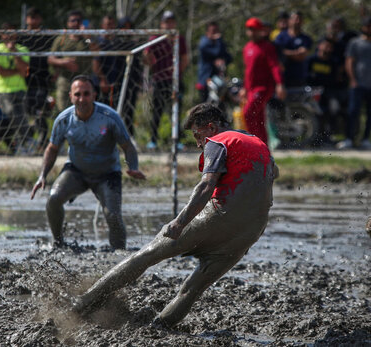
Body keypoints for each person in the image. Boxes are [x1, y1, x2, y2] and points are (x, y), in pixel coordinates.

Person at [73, 103, 278, 328]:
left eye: (198, 136)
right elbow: (273, 173)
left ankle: (81, 305)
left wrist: (179, 222)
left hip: (220, 214)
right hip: (252, 231)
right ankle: (159, 328)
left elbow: (206, 186)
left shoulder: (218, 142)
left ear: (211, 127)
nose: (199, 143)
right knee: (192, 289)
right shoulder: (258, 143)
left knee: (146, 255)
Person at [30, 75, 146, 249]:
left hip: (107, 174)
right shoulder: (64, 119)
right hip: (77, 171)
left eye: (86, 94)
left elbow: (128, 147)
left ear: (94, 95)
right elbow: (52, 149)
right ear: (70, 96)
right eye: (77, 94)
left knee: (113, 215)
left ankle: (119, 254)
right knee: (53, 198)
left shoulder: (109, 117)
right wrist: (42, 176)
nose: (82, 99)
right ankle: (58, 244)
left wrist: (133, 167)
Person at [144, 10, 188, 150]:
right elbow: (147, 57)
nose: (169, 25)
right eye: (166, 22)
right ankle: (153, 140)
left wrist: (177, 72)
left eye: (171, 21)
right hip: (159, 79)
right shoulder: (155, 38)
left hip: (175, 81)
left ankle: (177, 140)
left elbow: (185, 58)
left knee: (175, 110)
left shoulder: (179, 39)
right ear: (162, 24)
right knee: (157, 110)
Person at [242, 17, 285, 145]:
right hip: (251, 89)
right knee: (259, 118)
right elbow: (248, 70)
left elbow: (274, 66)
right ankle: (263, 147)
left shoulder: (267, 47)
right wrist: (244, 88)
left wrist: (280, 84)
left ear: (261, 31)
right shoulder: (247, 48)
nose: (252, 32)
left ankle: (254, 144)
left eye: (255, 30)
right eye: (250, 29)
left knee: (248, 114)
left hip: (263, 88)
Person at [0, 23, 31, 153]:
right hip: (2, 91)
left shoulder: (23, 50)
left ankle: (23, 144)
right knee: (12, 112)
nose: (9, 36)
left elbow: (25, 70)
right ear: (2, 35)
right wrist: (16, 71)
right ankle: (24, 141)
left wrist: (14, 52)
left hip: (20, 90)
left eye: (12, 33)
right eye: (7, 33)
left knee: (22, 116)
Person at [20, 7, 52, 151]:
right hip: (23, 80)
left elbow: (53, 55)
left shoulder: (46, 35)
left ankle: (43, 141)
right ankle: (28, 140)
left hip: (42, 79)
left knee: (40, 111)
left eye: (36, 17)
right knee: (27, 111)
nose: (33, 21)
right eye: (31, 17)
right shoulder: (21, 36)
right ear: (27, 19)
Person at [48, 10, 92, 113]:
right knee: (64, 112)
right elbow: (50, 59)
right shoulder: (61, 39)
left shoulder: (87, 39)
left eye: (79, 20)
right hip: (65, 82)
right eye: (73, 20)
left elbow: (95, 50)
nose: (76, 23)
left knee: (84, 112)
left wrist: (87, 36)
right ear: (68, 23)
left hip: (85, 82)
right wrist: (64, 62)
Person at [337, 17, 371, 150]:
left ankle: (365, 139)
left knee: (369, 114)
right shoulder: (355, 43)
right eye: (367, 26)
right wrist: (352, 80)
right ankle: (349, 138)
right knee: (353, 112)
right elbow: (349, 61)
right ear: (363, 27)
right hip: (358, 84)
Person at [306, 39, 338, 145]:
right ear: (319, 46)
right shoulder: (311, 59)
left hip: (327, 93)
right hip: (311, 92)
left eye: (330, 46)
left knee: (332, 109)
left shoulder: (332, 62)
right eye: (325, 45)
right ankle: (311, 137)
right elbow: (305, 76)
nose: (327, 48)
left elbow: (334, 79)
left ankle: (326, 137)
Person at [92, 15, 125, 108]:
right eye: (108, 24)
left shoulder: (115, 42)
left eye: (113, 24)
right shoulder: (98, 42)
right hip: (100, 83)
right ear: (103, 26)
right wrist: (102, 80)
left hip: (113, 82)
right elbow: (96, 62)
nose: (111, 27)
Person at [274, 11, 313, 87]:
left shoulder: (306, 39)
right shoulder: (280, 37)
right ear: (289, 20)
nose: (297, 21)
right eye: (295, 19)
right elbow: (278, 53)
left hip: (299, 77)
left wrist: (286, 53)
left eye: (299, 19)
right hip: (283, 77)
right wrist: (297, 52)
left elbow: (302, 56)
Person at [196, 21, 232, 103]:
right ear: (207, 32)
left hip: (219, 81)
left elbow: (228, 57)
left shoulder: (219, 44)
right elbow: (216, 52)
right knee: (206, 106)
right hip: (206, 80)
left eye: (217, 31)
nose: (216, 34)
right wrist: (219, 40)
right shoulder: (204, 43)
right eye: (213, 31)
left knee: (220, 106)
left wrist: (223, 61)